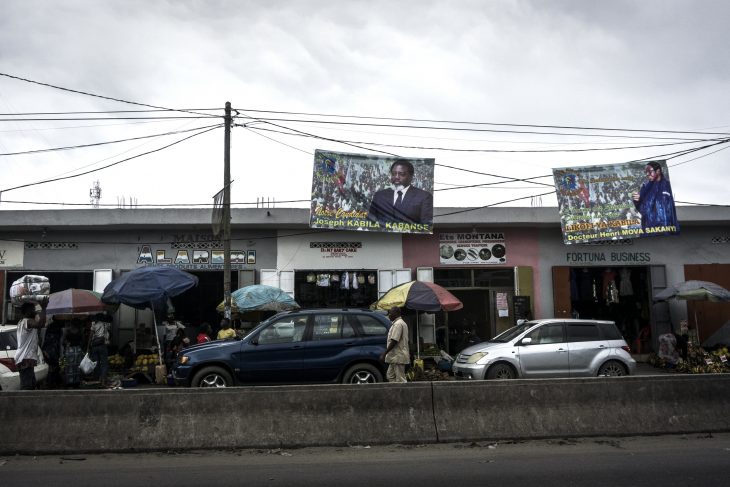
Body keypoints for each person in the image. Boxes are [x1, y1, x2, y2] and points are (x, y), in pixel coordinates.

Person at [367, 159, 433, 226]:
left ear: (411, 176)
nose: (396, 177)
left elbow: (426, 226)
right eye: (393, 174)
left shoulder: (424, 197)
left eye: (401, 174)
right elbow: (370, 222)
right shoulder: (379, 196)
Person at [632, 161, 678, 233]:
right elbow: (643, 210)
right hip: (649, 229)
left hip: (665, 229)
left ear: (658, 171)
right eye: (646, 172)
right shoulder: (645, 187)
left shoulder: (667, 186)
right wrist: (636, 201)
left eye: (650, 171)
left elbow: (671, 209)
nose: (647, 174)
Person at [15, 301, 48, 390]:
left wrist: (40, 313)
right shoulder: (27, 322)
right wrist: (43, 308)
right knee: (27, 387)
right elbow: (40, 324)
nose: (34, 311)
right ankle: (24, 404)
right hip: (25, 358)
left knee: (31, 385)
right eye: (33, 309)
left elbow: (41, 323)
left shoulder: (22, 322)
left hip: (25, 358)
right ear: (27, 311)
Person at [379, 306, 410, 383]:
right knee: (390, 376)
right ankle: (396, 392)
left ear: (396, 314)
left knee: (400, 379)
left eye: (390, 313)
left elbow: (394, 340)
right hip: (395, 357)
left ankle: (403, 393)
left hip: (398, 356)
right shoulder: (399, 323)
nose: (389, 315)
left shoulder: (398, 324)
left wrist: (384, 353)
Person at [89, 313, 111, 387]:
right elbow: (110, 322)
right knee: (104, 363)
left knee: (96, 363)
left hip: (94, 345)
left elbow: (91, 335)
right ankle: (103, 381)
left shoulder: (93, 324)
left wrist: (88, 345)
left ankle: (97, 380)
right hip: (102, 345)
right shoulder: (106, 324)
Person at [41, 319, 64, 389]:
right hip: (55, 354)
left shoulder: (47, 331)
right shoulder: (59, 332)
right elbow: (61, 346)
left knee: (51, 369)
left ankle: (49, 383)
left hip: (48, 353)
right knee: (57, 369)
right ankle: (55, 383)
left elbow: (43, 343)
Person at [63, 319, 84, 388]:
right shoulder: (80, 331)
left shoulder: (67, 331)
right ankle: (76, 382)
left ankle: (69, 382)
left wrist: (67, 343)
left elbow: (63, 342)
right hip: (78, 350)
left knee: (69, 367)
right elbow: (82, 341)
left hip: (70, 351)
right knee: (77, 366)